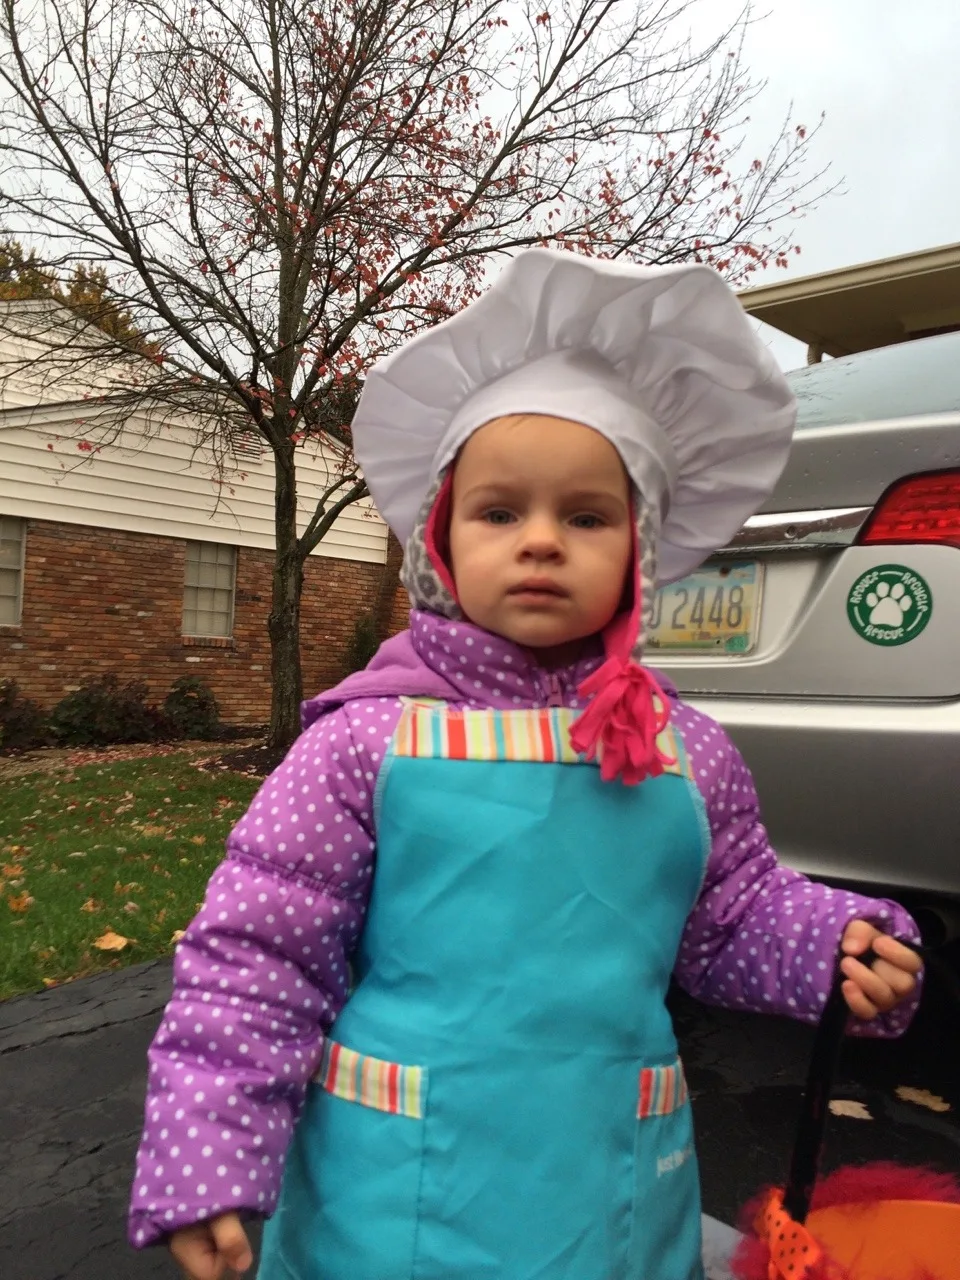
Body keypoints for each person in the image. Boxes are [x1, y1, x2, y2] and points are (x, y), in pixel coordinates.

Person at [128, 250, 923, 1280]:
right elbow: (257, 961)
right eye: (501, 511)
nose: (541, 540)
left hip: (609, 1195)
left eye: (586, 516)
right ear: (443, 544)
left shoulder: (683, 751)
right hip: (393, 1197)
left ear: (641, 549)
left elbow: (729, 916)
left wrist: (839, 946)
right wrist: (215, 1158)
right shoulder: (366, 742)